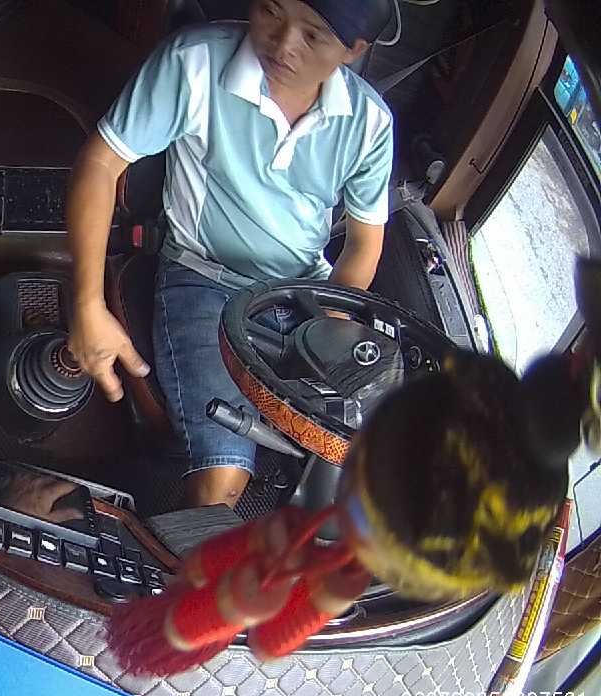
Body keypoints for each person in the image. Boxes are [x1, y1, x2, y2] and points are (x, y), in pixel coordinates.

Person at [67, 0, 394, 508]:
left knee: (371, 468)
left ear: (354, 50)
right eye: (271, 12)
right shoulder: (194, 62)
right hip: (204, 279)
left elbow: (363, 243)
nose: (283, 44)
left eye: (313, 36)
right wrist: (87, 304)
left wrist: (330, 327)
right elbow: (100, 163)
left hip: (306, 293)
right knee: (222, 480)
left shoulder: (369, 123)